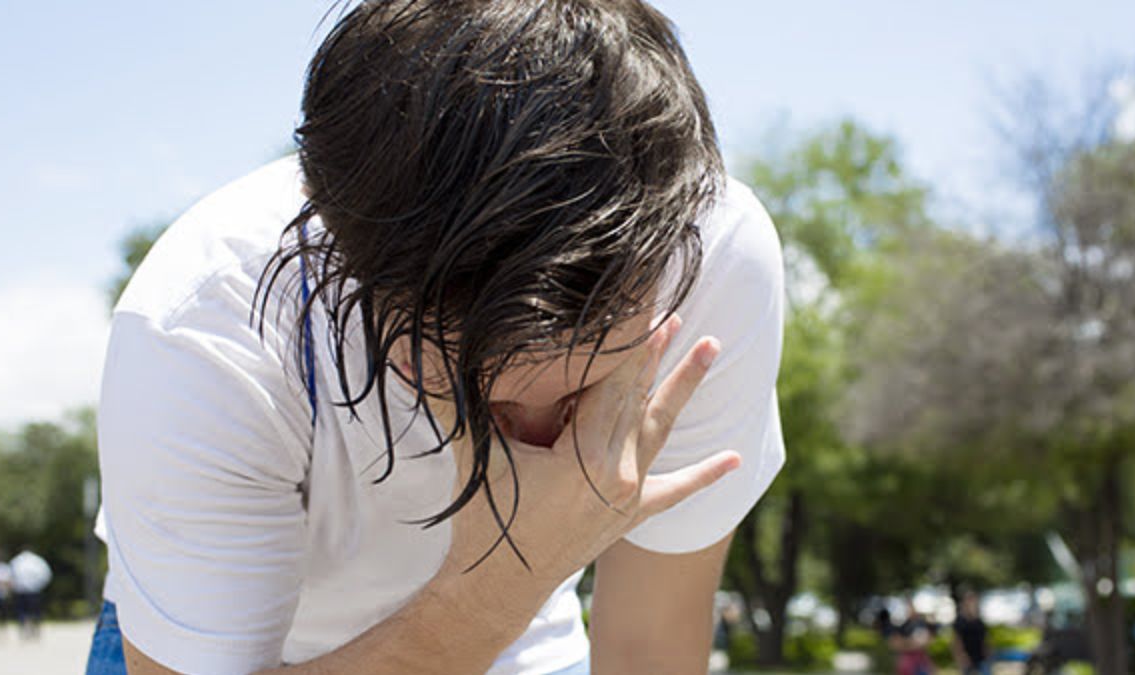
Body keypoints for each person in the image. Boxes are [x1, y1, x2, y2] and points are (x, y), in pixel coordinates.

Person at [87, 1, 786, 674]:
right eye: (481, 394)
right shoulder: (206, 328)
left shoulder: (713, 263)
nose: (551, 451)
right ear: (351, 275)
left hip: (525, 648)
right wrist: (503, 582)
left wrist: (508, 597)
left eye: (585, 385)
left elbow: (647, 645)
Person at [8, 548, 52, 640]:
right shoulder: (37, 561)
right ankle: (35, 631)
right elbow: (46, 574)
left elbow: (10, 576)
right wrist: (39, 586)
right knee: (35, 612)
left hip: (21, 591)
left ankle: (24, 631)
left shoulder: (17, 561)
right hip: (34, 591)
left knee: (22, 612)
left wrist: (14, 587)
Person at [890, 596, 935, 675]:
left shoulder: (922, 624)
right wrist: (911, 644)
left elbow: (929, 640)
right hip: (908, 662)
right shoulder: (903, 625)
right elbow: (895, 643)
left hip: (921, 660)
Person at [951, 591, 991, 675]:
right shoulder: (960, 621)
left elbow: (984, 638)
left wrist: (988, 652)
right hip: (967, 659)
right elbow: (956, 641)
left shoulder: (978, 621)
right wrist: (961, 657)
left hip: (981, 658)